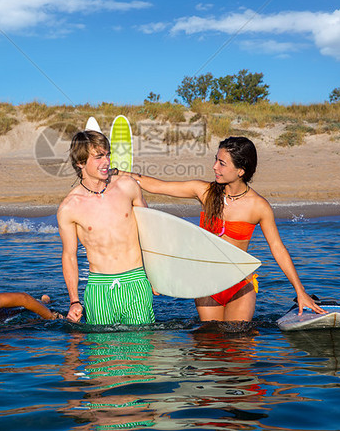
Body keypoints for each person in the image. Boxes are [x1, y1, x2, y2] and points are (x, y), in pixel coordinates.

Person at [120, 136, 325, 322]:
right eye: (216, 160)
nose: (214, 167)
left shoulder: (258, 206)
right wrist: (119, 174)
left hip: (239, 284)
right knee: (210, 344)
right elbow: (156, 185)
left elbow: (277, 248)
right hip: (206, 284)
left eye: (222, 163)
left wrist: (300, 291)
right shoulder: (206, 192)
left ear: (240, 171)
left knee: (237, 347)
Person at [58, 130, 154, 325]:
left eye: (108, 155)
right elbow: (69, 255)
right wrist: (74, 301)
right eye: (99, 156)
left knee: (141, 350)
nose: (107, 162)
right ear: (80, 162)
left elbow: (150, 231)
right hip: (99, 288)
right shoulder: (69, 207)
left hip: (135, 281)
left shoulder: (127, 186)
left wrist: (157, 274)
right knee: (102, 353)